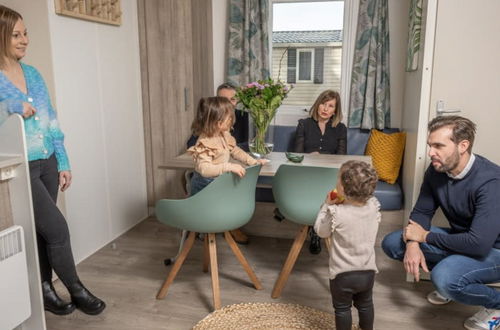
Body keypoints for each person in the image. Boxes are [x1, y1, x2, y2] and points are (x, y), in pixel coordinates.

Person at [0, 5, 105, 316]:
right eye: (16, 35)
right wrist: (12, 105)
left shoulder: (32, 73)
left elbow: (50, 120)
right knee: (57, 229)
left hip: (47, 162)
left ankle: (45, 289)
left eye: (26, 33)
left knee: (45, 232)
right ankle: (76, 288)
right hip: (21, 167)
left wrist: (63, 159)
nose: (24, 40)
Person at [381, 116, 500, 330]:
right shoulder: (437, 170)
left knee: (444, 277)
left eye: (438, 146)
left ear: (463, 146)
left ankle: (496, 304)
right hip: (463, 239)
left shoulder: (491, 182)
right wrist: (412, 243)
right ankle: (455, 274)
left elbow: (479, 244)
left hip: (493, 250)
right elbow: (421, 212)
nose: (430, 153)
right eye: (430, 145)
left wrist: (424, 237)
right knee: (392, 242)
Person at [314, 160, 380, 330]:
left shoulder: (337, 212)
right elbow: (361, 206)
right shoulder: (373, 206)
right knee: (366, 305)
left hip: (342, 275)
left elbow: (321, 231)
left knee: (342, 309)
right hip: (367, 272)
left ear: (342, 189)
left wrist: (326, 205)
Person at [186, 83, 249, 244]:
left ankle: (225, 223)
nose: (228, 103)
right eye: (223, 99)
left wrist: (251, 160)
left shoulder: (240, 118)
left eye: (232, 99)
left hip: (225, 167)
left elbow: (241, 145)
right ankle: (205, 224)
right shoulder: (210, 123)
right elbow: (194, 145)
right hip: (211, 174)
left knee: (238, 183)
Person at [294, 90, 347, 254]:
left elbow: (342, 158)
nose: (325, 108)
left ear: (335, 111)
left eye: (330, 106)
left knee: (328, 188)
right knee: (314, 188)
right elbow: (297, 154)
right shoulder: (304, 124)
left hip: (329, 175)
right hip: (307, 173)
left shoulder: (340, 128)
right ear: (318, 104)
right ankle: (316, 231)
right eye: (323, 104)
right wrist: (310, 157)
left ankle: (315, 230)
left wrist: (323, 158)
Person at [188, 96, 267, 196]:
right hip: (204, 187)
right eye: (229, 118)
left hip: (217, 183)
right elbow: (204, 169)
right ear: (218, 122)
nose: (232, 120)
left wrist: (253, 162)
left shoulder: (223, 135)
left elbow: (235, 151)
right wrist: (228, 167)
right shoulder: (205, 142)